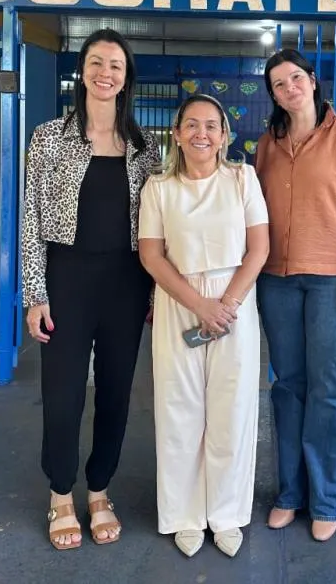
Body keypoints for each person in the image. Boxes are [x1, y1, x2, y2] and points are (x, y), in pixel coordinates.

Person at [21, 28, 159, 551]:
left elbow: (154, 227)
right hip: (66, 280)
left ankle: (99, 490)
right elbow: (31, 217)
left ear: (126, 80)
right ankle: (60, 493)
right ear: (83, 72)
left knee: (118, 395)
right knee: (62, 395)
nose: (106, 73)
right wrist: (36, 293)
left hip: (125, 283)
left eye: (116, 66)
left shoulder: (142, 147)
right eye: (97, 62)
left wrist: (152, 293)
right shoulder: (49, 136)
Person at [254, 48, 336, 543]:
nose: (289, 88)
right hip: (277, 280)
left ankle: (325, 499)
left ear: (312, 80)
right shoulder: (268, 144)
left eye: (295, 78)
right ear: (273, 94)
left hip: (335, 278)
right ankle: (290, 493)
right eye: (278, 84)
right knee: (288, 387)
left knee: (328, 391)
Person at [138, 94, 270, 559]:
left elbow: (259, 249)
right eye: (191, 125)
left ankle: (228, 513)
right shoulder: (159, 188)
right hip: (180, 303)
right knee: (180, 411)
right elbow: (151, 255)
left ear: (224, 136)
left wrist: (226, 305)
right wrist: (200, 306)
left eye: (211, 125)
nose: (201, 133)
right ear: (176, 134)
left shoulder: (242, 179)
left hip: (235, 302)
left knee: (232, 411)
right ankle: (185, 515)